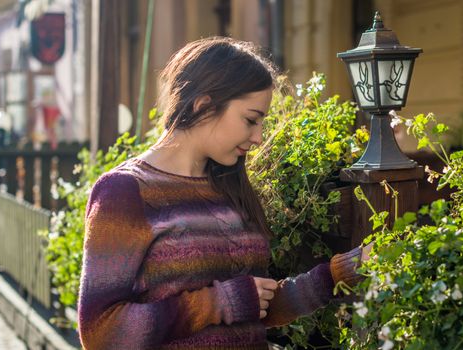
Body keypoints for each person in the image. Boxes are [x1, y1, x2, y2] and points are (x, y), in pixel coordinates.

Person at [78, 37, 371, 349]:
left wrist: (338, 273)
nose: (258, 137)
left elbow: (256, 307)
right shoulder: (124, 192)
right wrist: (218, 303)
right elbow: (101, 333)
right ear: (204, 105)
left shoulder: (229, 187)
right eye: (250, 119)